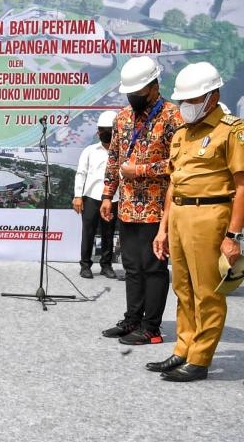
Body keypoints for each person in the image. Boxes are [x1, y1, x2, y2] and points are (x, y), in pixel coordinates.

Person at [148, 62, 244, 381]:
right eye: (183, 101)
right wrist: (163, 228)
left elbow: (242, 186)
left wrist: (232, 235)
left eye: (192, 100)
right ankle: (183, 349)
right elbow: (174, 183)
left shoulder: (231, 130)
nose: (185, 106)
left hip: (209, 216)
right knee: (183, 288)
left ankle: (200, 359)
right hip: (178, 215)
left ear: (212, 96)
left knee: (207, 292)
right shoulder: (183, 134)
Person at [100, 56, 184, 345]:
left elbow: (179, 164)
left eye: (137, 92)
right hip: (126, 206)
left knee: (153, 267)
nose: (133, 97)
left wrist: (140, 170)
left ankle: (151, 327)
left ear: (153, 86)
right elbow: (113, 159)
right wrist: (108, 195)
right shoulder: (122, 117)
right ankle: (132, 319)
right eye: (129, 93)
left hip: (156, 208)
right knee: (132, 266)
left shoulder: (173, 117)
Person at [73, 110, 119, 279]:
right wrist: (78, 196)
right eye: (102, 129)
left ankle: (106, 265)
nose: (105, 133)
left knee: (109, 233)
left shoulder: (121, 152)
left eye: (109, 130)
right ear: (98, 131)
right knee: (88, 232)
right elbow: (81, 174)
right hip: (91, 197)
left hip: (114, 198)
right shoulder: (89, 151)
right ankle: (85, 265)